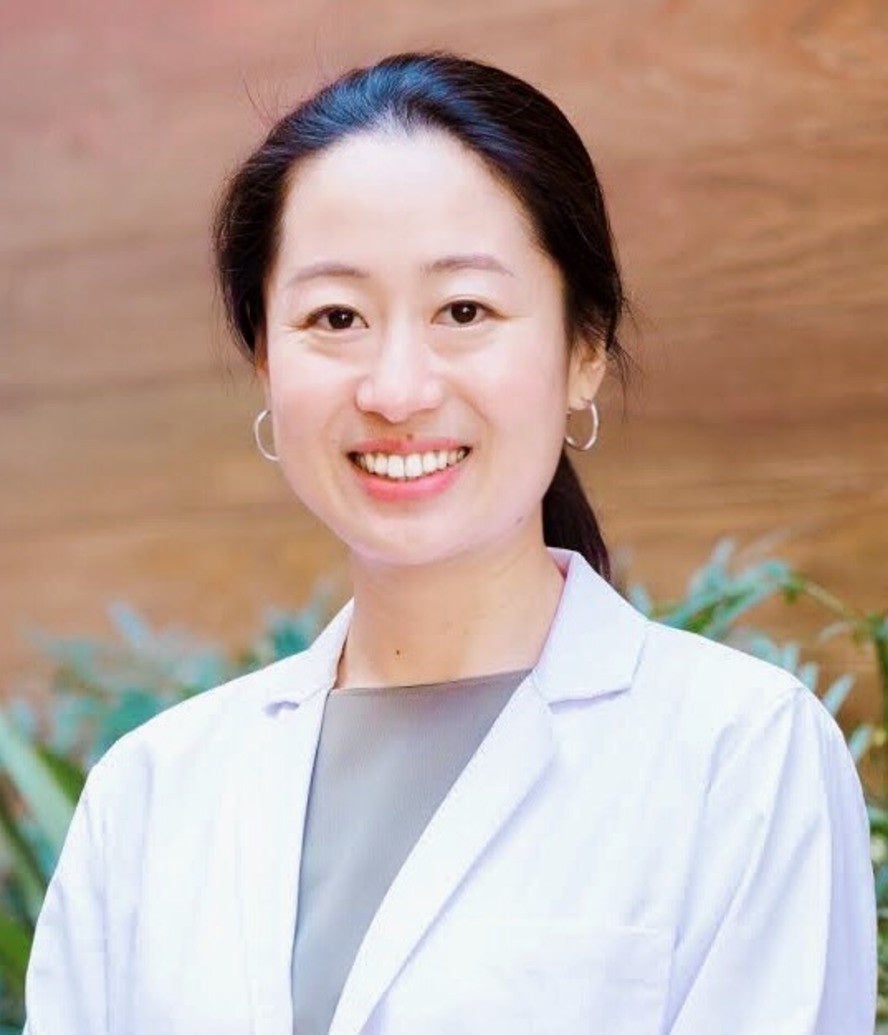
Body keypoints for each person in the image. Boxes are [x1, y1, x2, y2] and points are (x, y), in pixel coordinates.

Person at [24, 51, 876, 1034]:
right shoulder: (148, 795)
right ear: (265, 361)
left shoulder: (743, 757)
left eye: (464, 311)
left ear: (584, 348)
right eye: (336, 317)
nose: (397, 389)